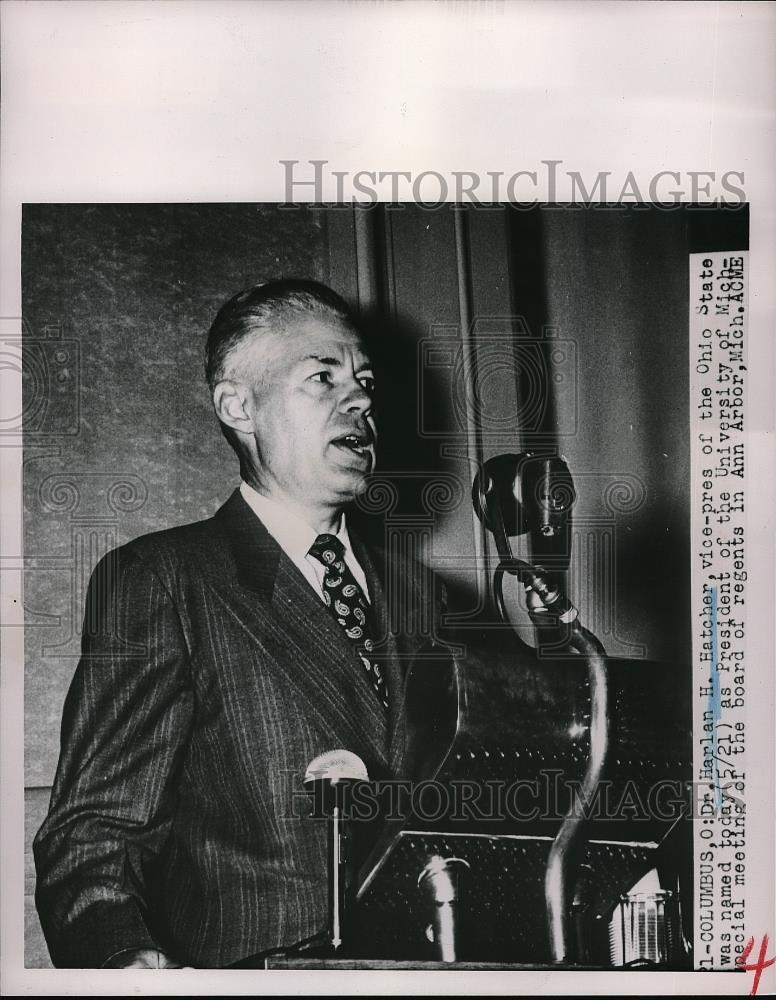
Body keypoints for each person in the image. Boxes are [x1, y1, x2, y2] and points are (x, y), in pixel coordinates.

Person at [33, 279, 442, 969]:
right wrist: (122, 957)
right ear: (238, 406)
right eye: (324, 376)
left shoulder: (425, 597)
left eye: (366, 380)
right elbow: (94, 830)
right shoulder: (166, 579)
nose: (363, 399)